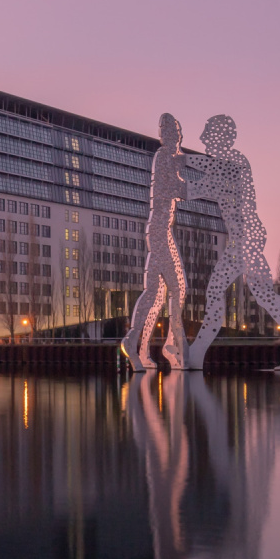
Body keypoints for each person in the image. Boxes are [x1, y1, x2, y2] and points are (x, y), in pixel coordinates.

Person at [183, 115, 280, 370]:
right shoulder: (229, 166)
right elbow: (207, 174)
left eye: (207, 134)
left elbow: (204, 185)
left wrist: (179, 164)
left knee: (216, 291)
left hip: (245, 238)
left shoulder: (235, 164)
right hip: (244, 238)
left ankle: (197, 354)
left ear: (222, 138)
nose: (202, 139)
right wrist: (183, 164)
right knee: (262, 293)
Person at [124, 114, 189, 371]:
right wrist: (209, 184)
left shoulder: (169, 159)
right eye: (173, 134)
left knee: (156, 294)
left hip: (161, 231)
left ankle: (139, 348)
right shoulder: (164, 157)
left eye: (177, 134)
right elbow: (178, 189)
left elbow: (177, 185)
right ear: (167, 136)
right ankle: (171, 344)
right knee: (177, 288)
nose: (177, 139)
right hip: (160, 232)